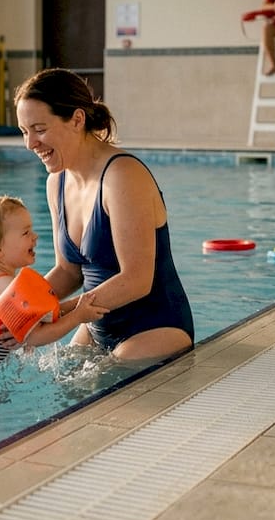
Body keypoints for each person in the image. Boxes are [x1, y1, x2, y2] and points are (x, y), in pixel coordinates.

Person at [13, 68, 194, 362]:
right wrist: (18, 309)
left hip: (154, 327)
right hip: (96, 325)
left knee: (102, 389)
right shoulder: (57, 181)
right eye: (25, 131)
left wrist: (59, 314)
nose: (31, 143)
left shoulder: (122, 176)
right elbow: (68, 271)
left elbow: (137, 279)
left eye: (40, 129)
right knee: (69, 391)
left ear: (77, 119)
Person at [0, 193, 108, 382]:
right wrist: (78, 316)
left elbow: (44, 315)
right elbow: (37, 336)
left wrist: (80, 303)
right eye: (26, 233)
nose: (35, 237)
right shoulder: (4, 285)